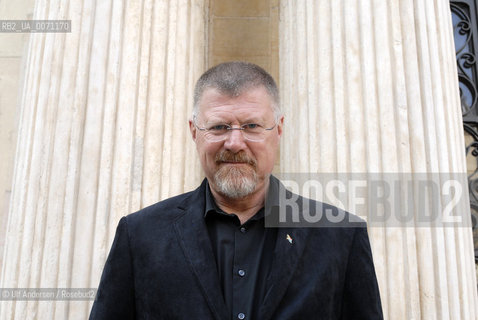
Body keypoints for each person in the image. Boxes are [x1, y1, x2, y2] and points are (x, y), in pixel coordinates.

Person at [89, 61, 383, 319]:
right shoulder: (139, 235)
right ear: (194, 132)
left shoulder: (341, 236)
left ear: (278, 130)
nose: (234, 143)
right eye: (218, 127)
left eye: (252, 125)